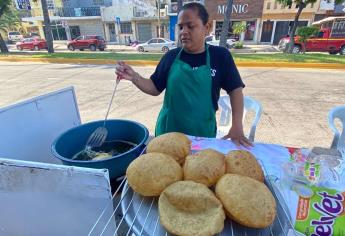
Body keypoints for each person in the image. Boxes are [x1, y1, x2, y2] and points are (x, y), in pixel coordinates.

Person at [115, 2, 251, 147]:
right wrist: (134, 76)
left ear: (207, 27)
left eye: (190, 26)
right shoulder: (171, 57)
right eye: (180, 27)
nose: (183, 31)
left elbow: (235, 90)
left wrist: (237, 126)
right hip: (168, 133)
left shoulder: (220, 56)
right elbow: (154, 87)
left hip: (202, 135)